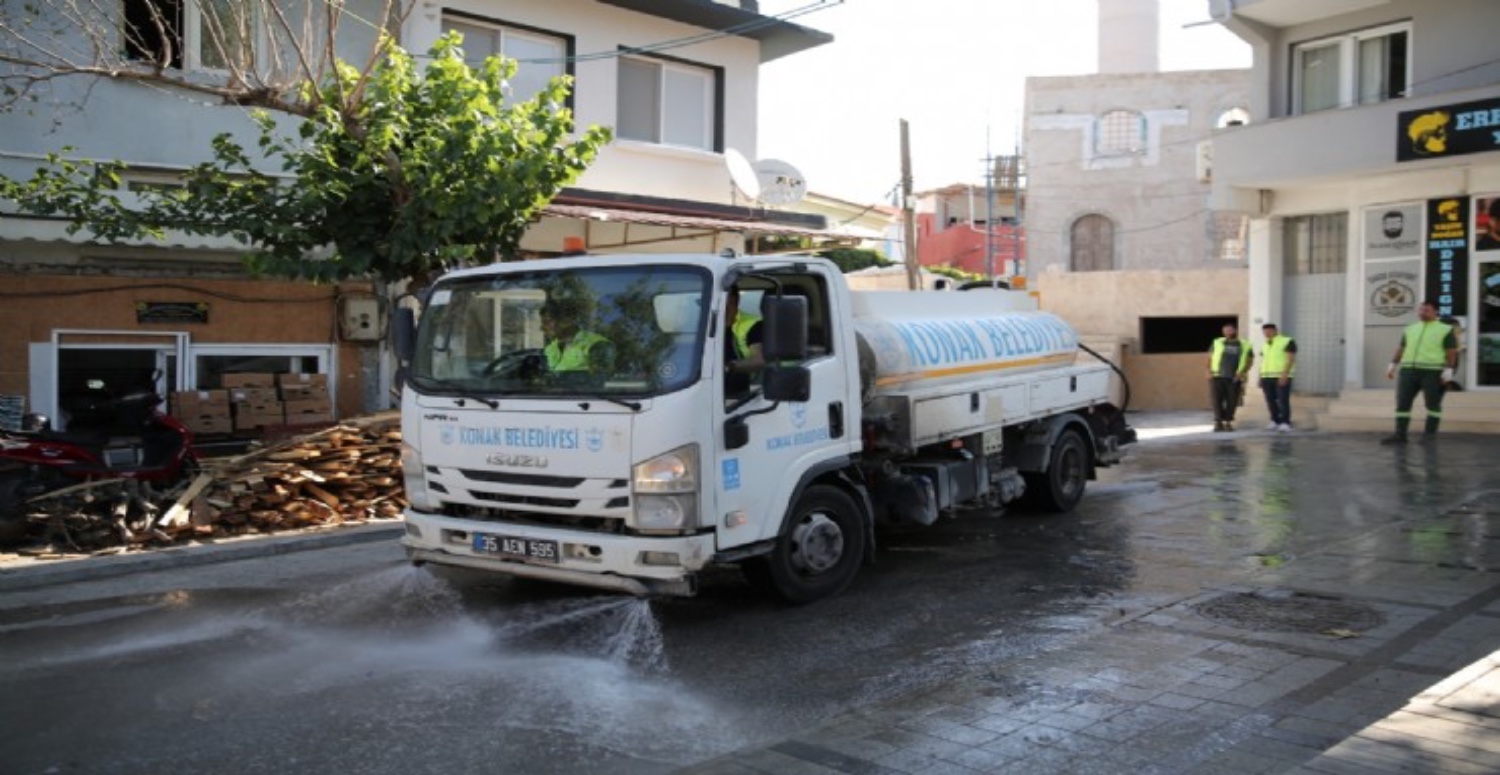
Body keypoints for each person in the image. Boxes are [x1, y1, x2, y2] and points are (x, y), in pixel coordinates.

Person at [1381, 300, 1459, 445]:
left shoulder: (1445, 329)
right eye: (1421, 310)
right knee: (1402, 404)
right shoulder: (1410, 329)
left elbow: (1451, 351)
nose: (1422, 313)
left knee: (1433, 405)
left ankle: (1429, 437)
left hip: (1433, 372)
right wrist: (1392, 363)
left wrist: (1449, 369)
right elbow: (1402, 347)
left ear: (1436, 312)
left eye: (1426, 310)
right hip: (1408, 371)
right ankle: (1400, 435)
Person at [541, 296, 611, 373]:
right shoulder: (550, 349)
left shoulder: (597, 345)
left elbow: (596, 380)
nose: (542, 328)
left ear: (566, 321)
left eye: (546, 322)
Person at [1207, 322, 1252, 432]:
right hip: (1217, 376)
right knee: (1216, 400)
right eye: (1225, 331)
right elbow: (1209, 358)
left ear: (1235, 331)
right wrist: (1208, 371)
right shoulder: (1217, 342)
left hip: (1234, 377)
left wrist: (1243, 372)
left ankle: (1228, 422)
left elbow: (1249, 361)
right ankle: (1218, 422)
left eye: (1229, 330)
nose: (1227, 332)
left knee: (1232, 401)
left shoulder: (1245, 344)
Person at [724, 286, 764, 398]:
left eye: (728, 303)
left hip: (745, 392)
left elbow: (759, 360)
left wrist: (728, 367)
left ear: (735, 301)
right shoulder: (704, 326)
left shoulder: (753, 324)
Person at [1258, 323, 1297, 432]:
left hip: (1281, 376)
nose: (1266, 334)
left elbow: (1291, 359)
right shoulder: (1265, 344)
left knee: (1283, 400)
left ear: (1275, 330)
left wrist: (1284, 375)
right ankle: (1275, 420)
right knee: (1270, 400)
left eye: (1269, 331)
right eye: (1264, 332)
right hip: (1266, 376)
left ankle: (1285, 422)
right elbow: (1263, 361)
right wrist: (1260, 376)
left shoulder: (1287, 341)